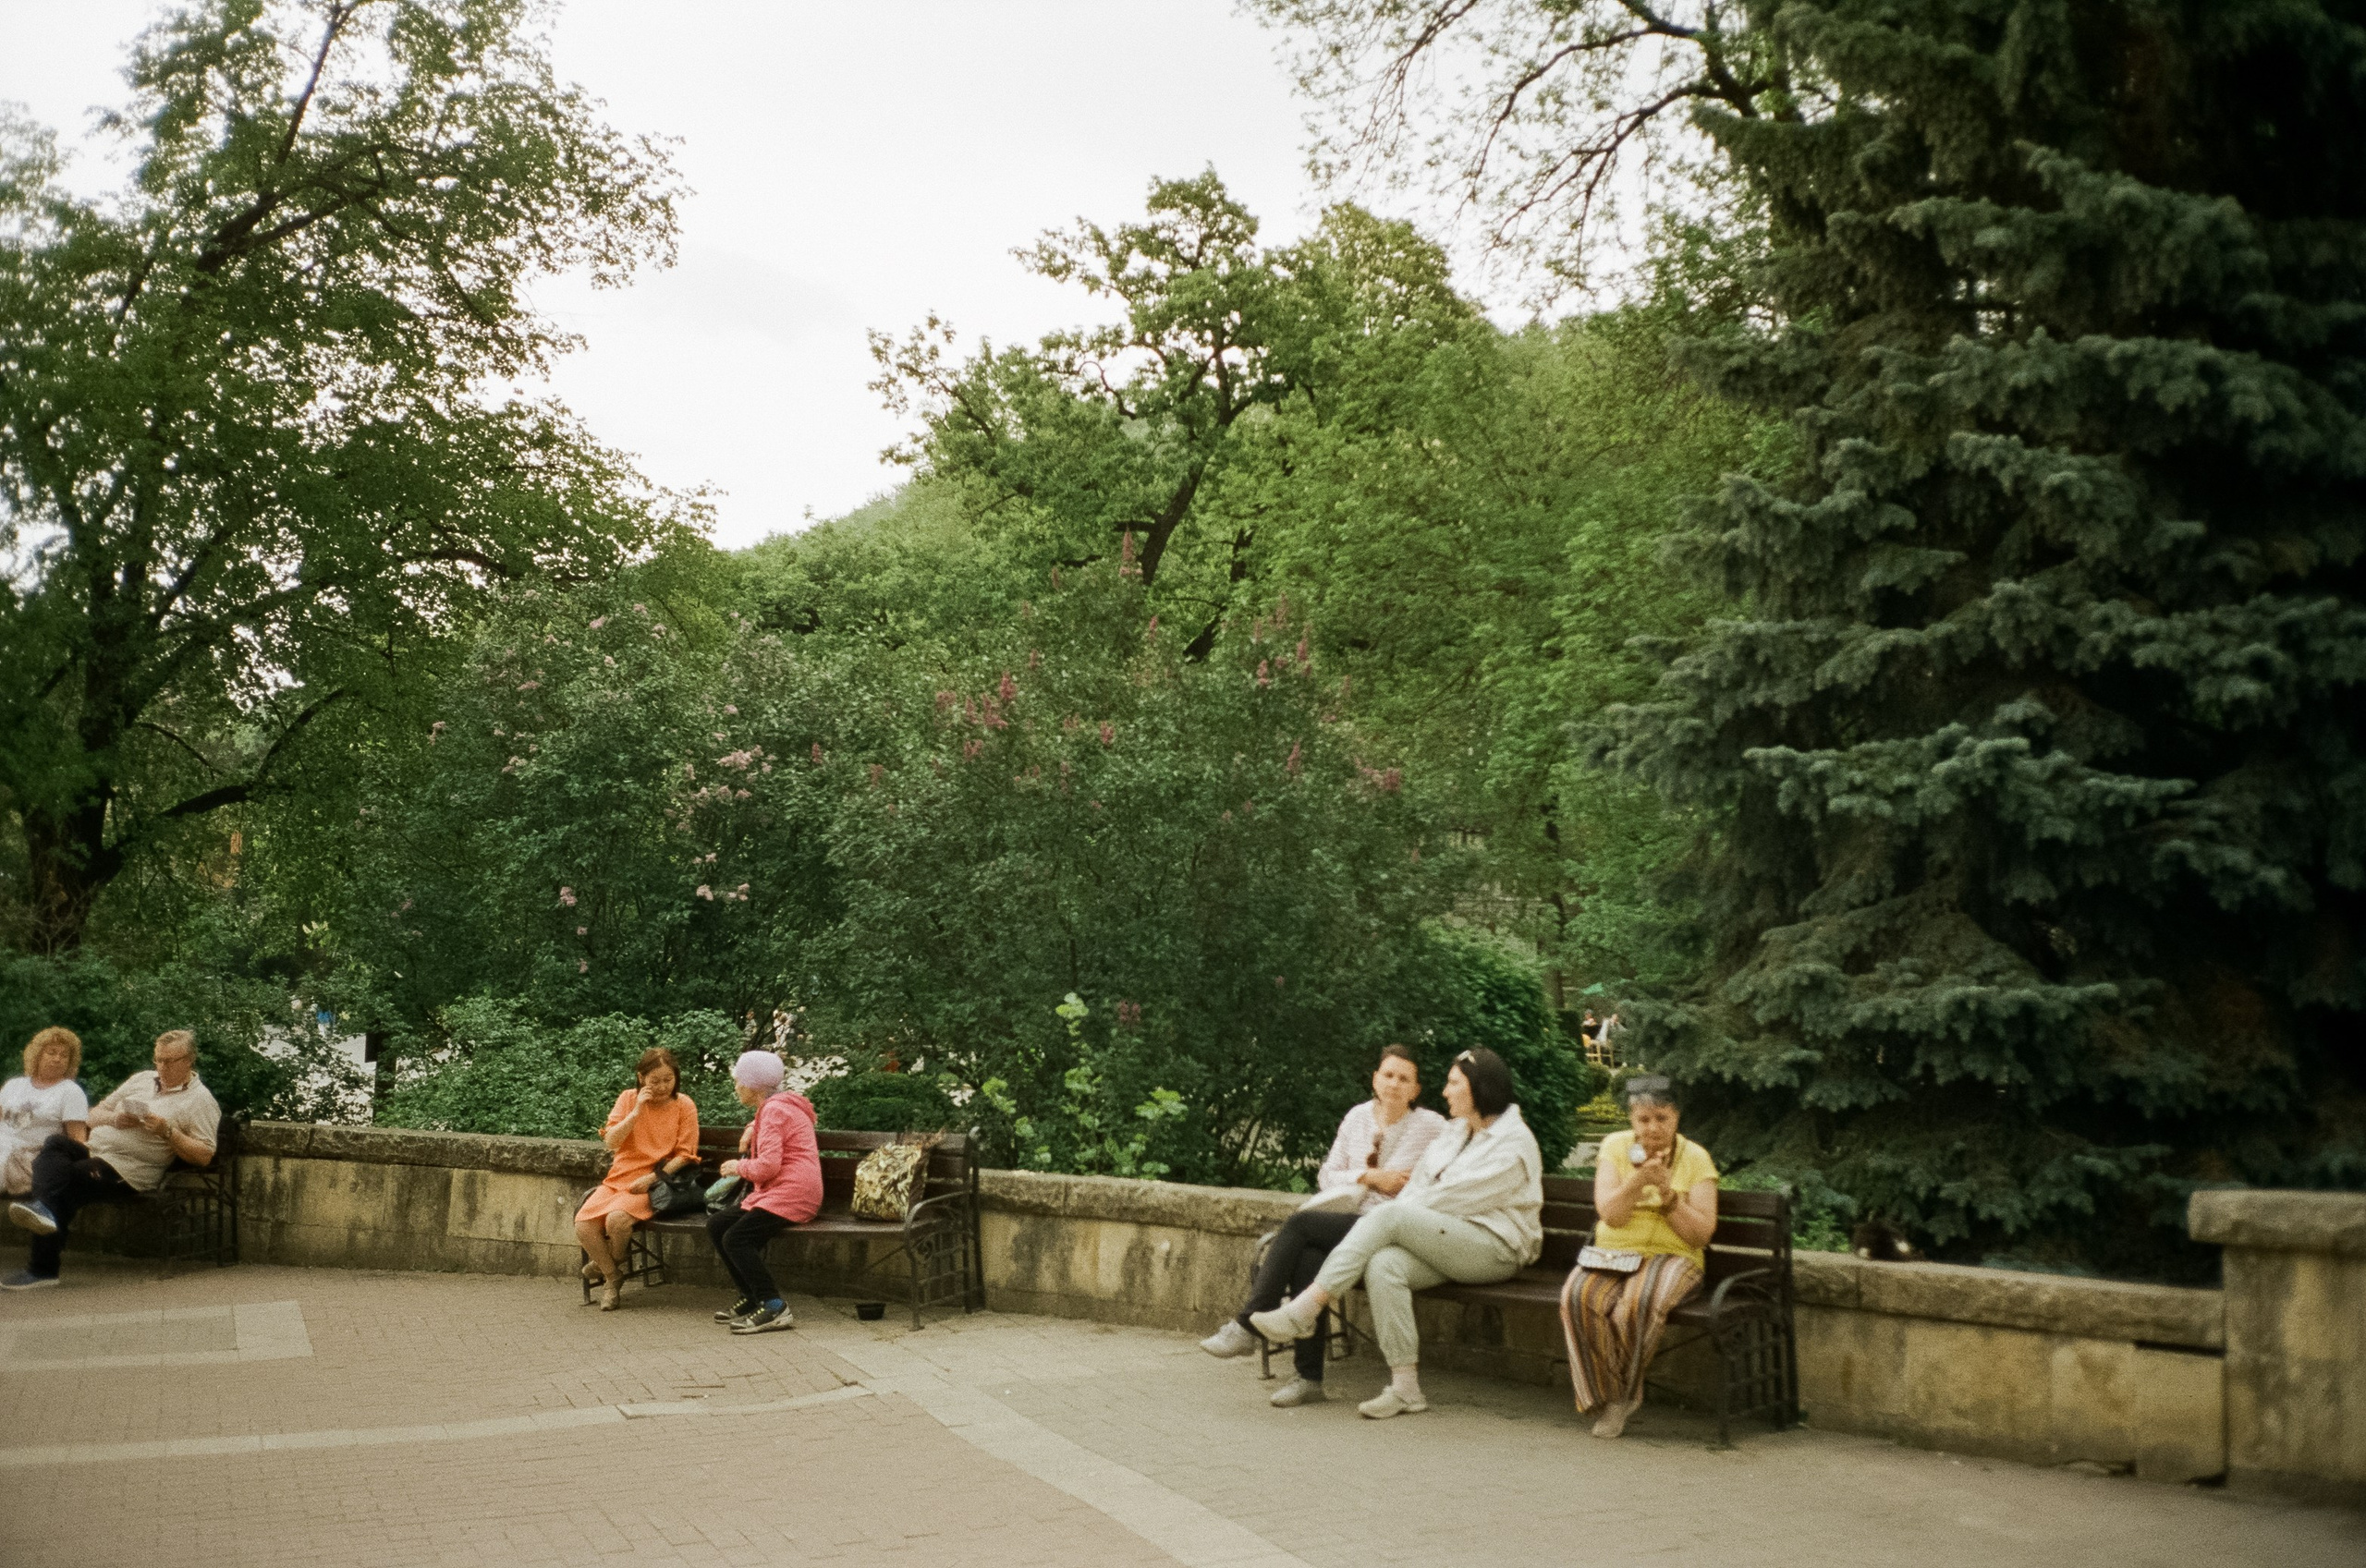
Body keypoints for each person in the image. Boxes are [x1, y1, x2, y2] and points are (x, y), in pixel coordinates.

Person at [1250, 1048, 1543, 1418]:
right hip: (1447, 1238)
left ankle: (1307, 1307)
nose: (1445, 1092)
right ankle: (1406, 1388)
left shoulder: (1513, 1143)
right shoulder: (1456, 1132)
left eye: (1454, 1084)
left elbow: (1453, 1198)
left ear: (1479, 1089)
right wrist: (1402, 1207)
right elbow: (1421, 1186)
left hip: (1496, 1247)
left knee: (1390, 1216)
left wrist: (1400, 1212)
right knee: (1385, 1265)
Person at [1199, 1045, 1448, 1406]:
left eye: (1404, 1078)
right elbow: (1327, 1175)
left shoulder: (1431, 1126)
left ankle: (1247, 1325)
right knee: (1309, 1258)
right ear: (1375, 1079)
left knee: (1300, 1225)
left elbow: (1442, 1177)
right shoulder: (1357, 1117)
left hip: (1388, 1229)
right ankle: (1309, 1379)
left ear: (1416, 1090)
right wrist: (1370, 1176)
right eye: (1388, 1075)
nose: (1394, 1084)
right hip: (1345, 1220)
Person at [1558, 1074, 1718, 1438]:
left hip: (1674, 1255)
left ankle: (1620, 1401)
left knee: (1638, 1302)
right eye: (1644, 1119)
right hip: (1615, 1252)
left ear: (1676, 1118)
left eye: (1662, 1118)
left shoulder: (1695, 1158)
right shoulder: (1615, 1147)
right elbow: (1610, 1214)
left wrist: (1667, 1192)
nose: (1653, 1127)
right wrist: (1636, 1181)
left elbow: (1700, 1233)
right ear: (1632, 1119)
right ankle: (1608, 1392)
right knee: (1577, 1296)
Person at [5, 1029, 220, 1291]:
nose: (162, 1067)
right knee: (55, 1145)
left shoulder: (200, 1100)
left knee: (67, 1181)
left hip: (128, 1169)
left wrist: (168, 1132)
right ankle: (43, 1213)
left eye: (170, 1061)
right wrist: (116, 1119)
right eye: (158, 1060)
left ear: (189, 1060)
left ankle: (43, 1266)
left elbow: (204, 1155)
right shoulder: (142, 1079)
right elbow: (93, 1114)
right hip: (94, 1149)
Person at [576, 1046, 701, 1311]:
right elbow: (611, 1142)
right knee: (584, 1224)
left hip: (657, 1181)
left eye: (668, 1079)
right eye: (655, 1080)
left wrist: (653, 1178)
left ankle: (607, 1269)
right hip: (619, 1177)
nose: (662, 1086)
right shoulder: (628, 1098)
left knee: (617, 1220)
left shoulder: (684, 1104)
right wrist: (635, 1112)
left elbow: (685, 1154)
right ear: (642, 1077)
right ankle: (614, 1275)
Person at [705, 1049, 821, 1333]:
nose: (735, 1087)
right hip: (785, 1190)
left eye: (737, 1081)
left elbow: (767, 1167)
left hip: (792, 1193)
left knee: (736, 1238)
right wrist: (751, 1127)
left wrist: (735, 1167)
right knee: (718, 1224)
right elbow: (772, 1124)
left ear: (752, 1085)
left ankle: (773, 1306)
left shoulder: (773, 1110)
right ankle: (751, 1297)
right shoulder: (777, 1106)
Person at [2, 1027, 91, 1197]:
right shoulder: (14, 1085)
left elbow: (77, 1142)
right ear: (37, 1055)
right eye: (51, 1053)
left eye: (64, 1056)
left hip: (28, 1158)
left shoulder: (70, 1091)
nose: (57, 1059)